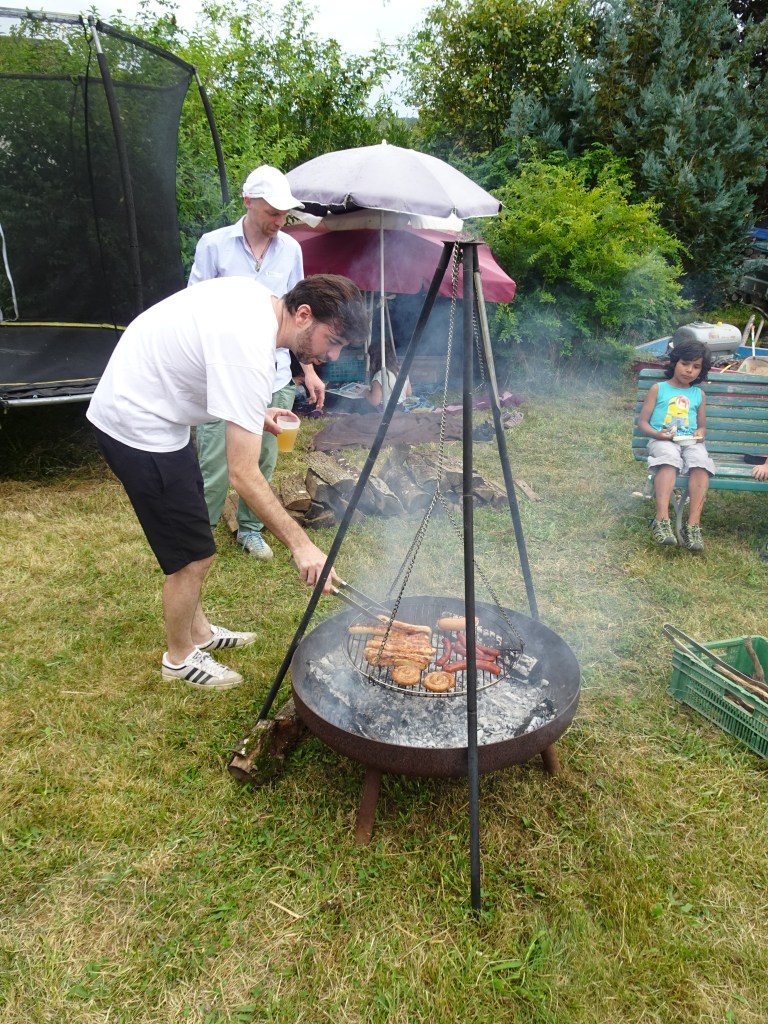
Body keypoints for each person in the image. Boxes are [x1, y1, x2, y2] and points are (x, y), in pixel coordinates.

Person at [86, 274, 369, 690]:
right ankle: (179, 658)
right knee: (191, 557)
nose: (333, 355)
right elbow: (243, 475)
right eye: (334, 340)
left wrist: (252, 412)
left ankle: (199, 633)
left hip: (161, 414)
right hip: (137, 425)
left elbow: (205, 362)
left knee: (196, 542)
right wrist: (302, 546)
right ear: (304, 314)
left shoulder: (258, 302)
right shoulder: (248, 349)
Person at [189, 165, 326, 562]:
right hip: (224, 375)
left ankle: (250, 529)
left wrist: (308, 370)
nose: (280, 221)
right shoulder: (214, 245)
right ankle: (200, 535)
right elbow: (195, 307)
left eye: (284, 214)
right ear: (248, 202)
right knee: (215, 460)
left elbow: (302, 315)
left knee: (263, 458)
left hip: (274, 374)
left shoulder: (291, 250)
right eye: (272, 213)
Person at [637, 339, 716, 551]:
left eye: (696, 366)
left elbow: (702, 427)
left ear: (701, 371)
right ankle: (661, 519)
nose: (689, 370)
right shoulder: (658, 389)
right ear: (675, 362)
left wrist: (700, 433)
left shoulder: (698, 394)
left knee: (701, 462)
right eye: (685, 363)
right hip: (662, 440)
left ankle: (692, 525)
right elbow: (643, 423)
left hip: (689, 442)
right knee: (669, 459)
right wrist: (658, 434)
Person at [362, 338, 412, 409]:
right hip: (400, 408)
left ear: (374, 359)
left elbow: (375, 401)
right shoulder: (400, 370)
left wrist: (366, 393)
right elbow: (409, 393)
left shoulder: (379, 375)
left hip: (384, 411)